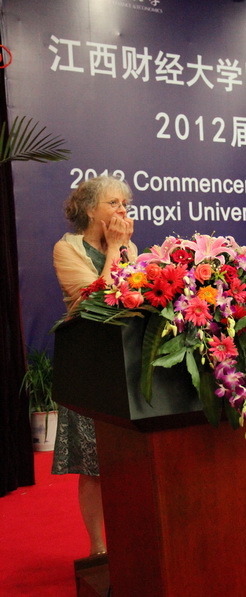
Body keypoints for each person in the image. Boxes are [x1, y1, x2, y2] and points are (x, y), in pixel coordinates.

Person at [52, 175, 137, 556]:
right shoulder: (66, 249)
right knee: (93, 467)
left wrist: (122, 250)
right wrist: (116, 249)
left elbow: (135, 300)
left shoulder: (130, 248)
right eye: (113, 203)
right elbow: (96, 303)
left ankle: (130, 540)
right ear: (89, 210)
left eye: (125, 204)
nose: (122, 211)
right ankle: (98, 547)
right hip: (87, 367)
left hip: (123, 364)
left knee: (127, 460)